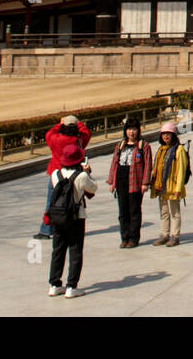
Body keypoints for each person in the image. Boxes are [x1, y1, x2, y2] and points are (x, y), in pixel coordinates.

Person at [46, 152, 97, 298]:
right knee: (75, 251)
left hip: (58, 217)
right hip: (76, 217)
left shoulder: (55, 174)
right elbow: (93, 188)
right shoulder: (81, 176)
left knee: (57, 251)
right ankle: (71, 286)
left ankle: (54, 284)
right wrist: (87, 172)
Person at [36, 114, 90, 241]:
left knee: (52, 201)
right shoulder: (79, 140)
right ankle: (71, 226)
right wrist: (78, 123)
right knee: (74, 201)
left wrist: (59, 124)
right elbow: (86, 133)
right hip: (74, 175)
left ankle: (46, 229)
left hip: (56, 173)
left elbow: (49, 133)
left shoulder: (55, 139)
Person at [106, 117, 152, 248]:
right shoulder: (120, 145)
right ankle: (124, 237)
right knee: (123, 212)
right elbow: (114, 163)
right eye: (129, 129)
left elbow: (148, 165)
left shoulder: (144, 146)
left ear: (138, 130)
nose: (131, 132)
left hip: (135, 182)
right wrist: (112, 182)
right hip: (121, 180)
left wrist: (145, 183)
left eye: (134, 129)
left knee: (134, 211)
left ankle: (133, 238)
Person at [150, 121, 189, 247]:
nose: (166, 136)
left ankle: (175, 236)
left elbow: (181, 170)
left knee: (174, 212)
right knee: (164, 212)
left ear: (173, 135)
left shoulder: (179, 150)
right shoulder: (161, 149)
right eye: (164, 133)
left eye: (169, 133)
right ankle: (164, 234)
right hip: (162, 187)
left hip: (173, 187)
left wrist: (178, 188)